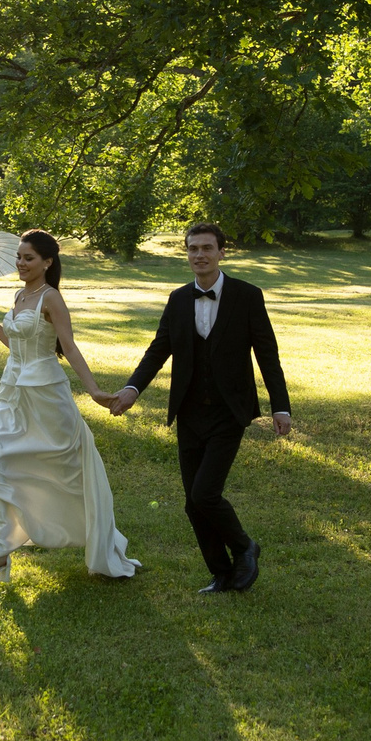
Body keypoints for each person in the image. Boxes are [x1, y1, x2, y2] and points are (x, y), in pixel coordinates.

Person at [105, 223, 291, 593]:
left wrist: (280, 407)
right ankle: (221, 573)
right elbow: (158, 350)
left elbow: (267, 355)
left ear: (222, 252)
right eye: (192, 249)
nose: (199, 255)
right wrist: (132, 388)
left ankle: (245, 547)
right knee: (193, 504)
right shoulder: (177, 299)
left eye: (207, 248)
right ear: (186, 253)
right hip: (189, 411)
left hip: (229, 411)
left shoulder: (247, 296)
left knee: (205, 493)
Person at [0, 229, 141, 583]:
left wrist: (92, 390)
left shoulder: (51, 299)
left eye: (28, 258)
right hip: (12, 393)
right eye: (18, 257)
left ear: (47, 262)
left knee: (69, 472)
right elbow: (15, 345)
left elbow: (69, 348)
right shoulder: (19, 294)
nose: (20, 263)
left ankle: (99, 537)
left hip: (47, 393)